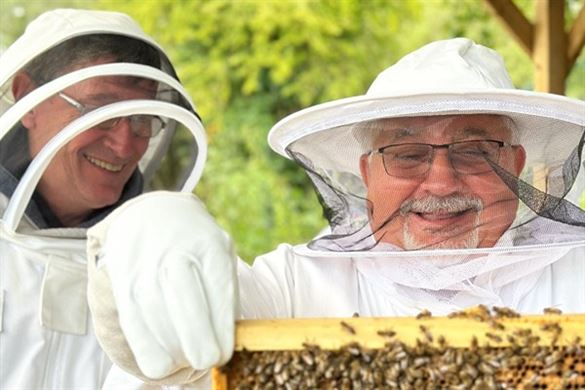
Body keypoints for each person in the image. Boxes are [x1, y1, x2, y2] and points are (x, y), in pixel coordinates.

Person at [86, 38, 585, 387]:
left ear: (515, 165)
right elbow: (177, 360)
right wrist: (144, 239)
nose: (439, 180)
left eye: (474, 148)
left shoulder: (577, 276)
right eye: (407, 154)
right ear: (367, 174)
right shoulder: (292, 286)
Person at [0, 8, 206, 389]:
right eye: (101, 109)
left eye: (141, 116)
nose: (125, 144)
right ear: (27, 97)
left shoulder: (164, 258)